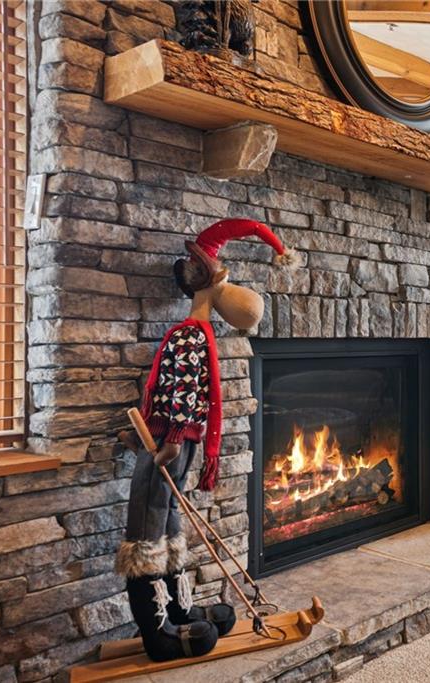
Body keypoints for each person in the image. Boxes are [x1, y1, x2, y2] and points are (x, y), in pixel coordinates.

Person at [116, 219, 294, 661]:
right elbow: (182, 387)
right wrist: (169, 436)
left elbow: (183, 388)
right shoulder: (195, 333)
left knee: (156, 526)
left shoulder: (193, 333)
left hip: (173, 441)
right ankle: (167, 621)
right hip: (170, 441)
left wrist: (174, 437)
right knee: (157, 525)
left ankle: (167, 621)